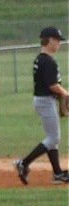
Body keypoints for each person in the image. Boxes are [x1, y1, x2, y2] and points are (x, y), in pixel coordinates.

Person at [15, 26, 69, 184]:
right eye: (57, 40)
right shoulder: (48, 61)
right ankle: (23, 163)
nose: (59, 44)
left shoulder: (40, 59)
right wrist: (66, 94)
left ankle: (58, 173)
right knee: (53, 138)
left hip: (42, 100)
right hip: (46, 101)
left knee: (53, 138)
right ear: (50, 40)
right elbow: (53, 85)